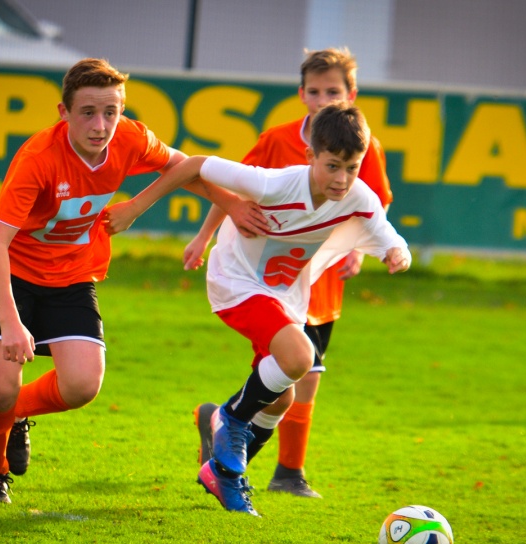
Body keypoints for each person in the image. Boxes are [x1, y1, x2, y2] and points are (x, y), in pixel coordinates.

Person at [0, 57, 268, 504]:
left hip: (71, 273)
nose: (100, 125)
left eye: (111, 112)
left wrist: (233, 206)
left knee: (82, 385)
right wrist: (11, 323)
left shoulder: (130, 137)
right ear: (64, 112)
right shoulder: (39, 159)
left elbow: (188, 167)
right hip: (13, 270)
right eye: (87, 112)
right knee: (0, 389)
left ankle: (15, 414)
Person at [119, 103, 410, 515]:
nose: (342, 179)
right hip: (237, 281)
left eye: (352, 168)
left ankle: (223, 474)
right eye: (332, 166)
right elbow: (196, 165)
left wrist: (398, 253)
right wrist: (134, 208)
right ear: (310, 155)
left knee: (279, 399)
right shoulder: (275, 184)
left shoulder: (357, 195)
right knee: (299, 357)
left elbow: (385, 232)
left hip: (284, 295)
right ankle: (230, 419)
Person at [185, 48, 394, 499]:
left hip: (319, 275)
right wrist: (204, 236)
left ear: (352, 94)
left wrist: (363, 249)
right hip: (263, 273)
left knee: (301, 377)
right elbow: (234, 189)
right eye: (314, 92)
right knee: (297, 369)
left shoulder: (365, 144)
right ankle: (275, 468)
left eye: (333, 92)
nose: (323, 100)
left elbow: (374, 207)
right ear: (301, 95)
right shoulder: (277, 140)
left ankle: (261, 466)